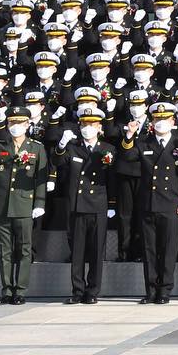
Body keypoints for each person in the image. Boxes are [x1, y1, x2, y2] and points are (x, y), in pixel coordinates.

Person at [120, 101, 178, 305]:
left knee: (168, 249)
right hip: (148, 204)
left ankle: (165, 290)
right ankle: (151, 290)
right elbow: (127, 156)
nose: (160, 123)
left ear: (172, 121)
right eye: (157, 119)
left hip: (171, 204)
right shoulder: (144, 143)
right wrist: (129, 136)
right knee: (149, 249)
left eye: (164, 119)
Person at [0, 108, 48, 305]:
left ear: (27, 125)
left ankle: (20, 291)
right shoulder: (0, 145)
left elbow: (41, 177)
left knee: (23, 249)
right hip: (2, 205)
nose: (15, 127)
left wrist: (39, 202)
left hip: (24, 204)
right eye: (12, 123)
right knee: (3, 249)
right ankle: (6, 290)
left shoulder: (36, 148)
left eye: (19, 123)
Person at [54, 110, 116, 304]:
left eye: (91, 125)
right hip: (77, 206)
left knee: (96, 252)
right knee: (77, 252)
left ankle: (92, 291)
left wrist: (112, 203)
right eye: (83, 125)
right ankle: (77, 291)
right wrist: (61, 145)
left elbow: (113, 179)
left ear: (99, 127)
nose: (87, 128)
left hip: (98, 205)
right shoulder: (72, 148)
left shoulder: (107, 149)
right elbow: (58, 162)